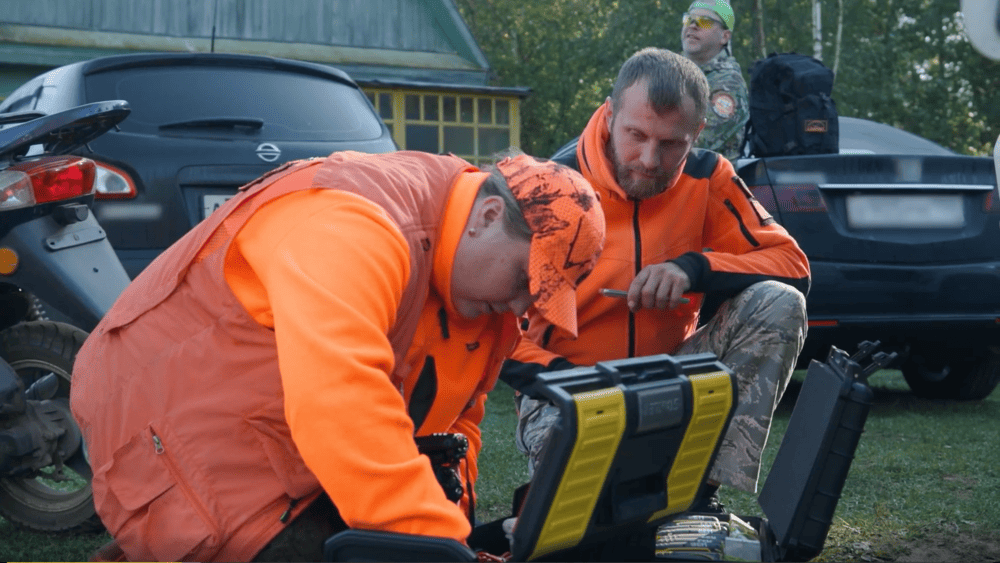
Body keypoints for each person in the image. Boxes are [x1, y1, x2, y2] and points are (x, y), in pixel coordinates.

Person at [70, 150, 605, 562]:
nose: (520, 306)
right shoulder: (353, 225)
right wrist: (439, 544)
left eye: (538, 296)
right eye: (522, 279)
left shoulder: (473, 278)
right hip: (164, 416)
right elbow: (341, 405)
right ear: (487, 215)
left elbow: (455, 422)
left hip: (283, 424)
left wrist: (452, 526)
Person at [503, 47, 810, 509]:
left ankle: (699, 495)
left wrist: (694, 269)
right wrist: (572, 382)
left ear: (698, 133)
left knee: (779, 302)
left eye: (671, 144)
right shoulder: (548, 186)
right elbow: (494, 329)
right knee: (592, 521)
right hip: (569, 389)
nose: (649, 159)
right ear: (610, 114)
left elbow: (792, 264)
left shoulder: (709, 176)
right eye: (635, 135)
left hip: (673, 378)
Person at [681, 0, 749, 159]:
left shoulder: (728, 84)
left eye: (704, 22)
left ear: (724, 37)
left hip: (709, 181)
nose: (692, 26)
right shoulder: (670, 70)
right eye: (688, 19)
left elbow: (699, 142)